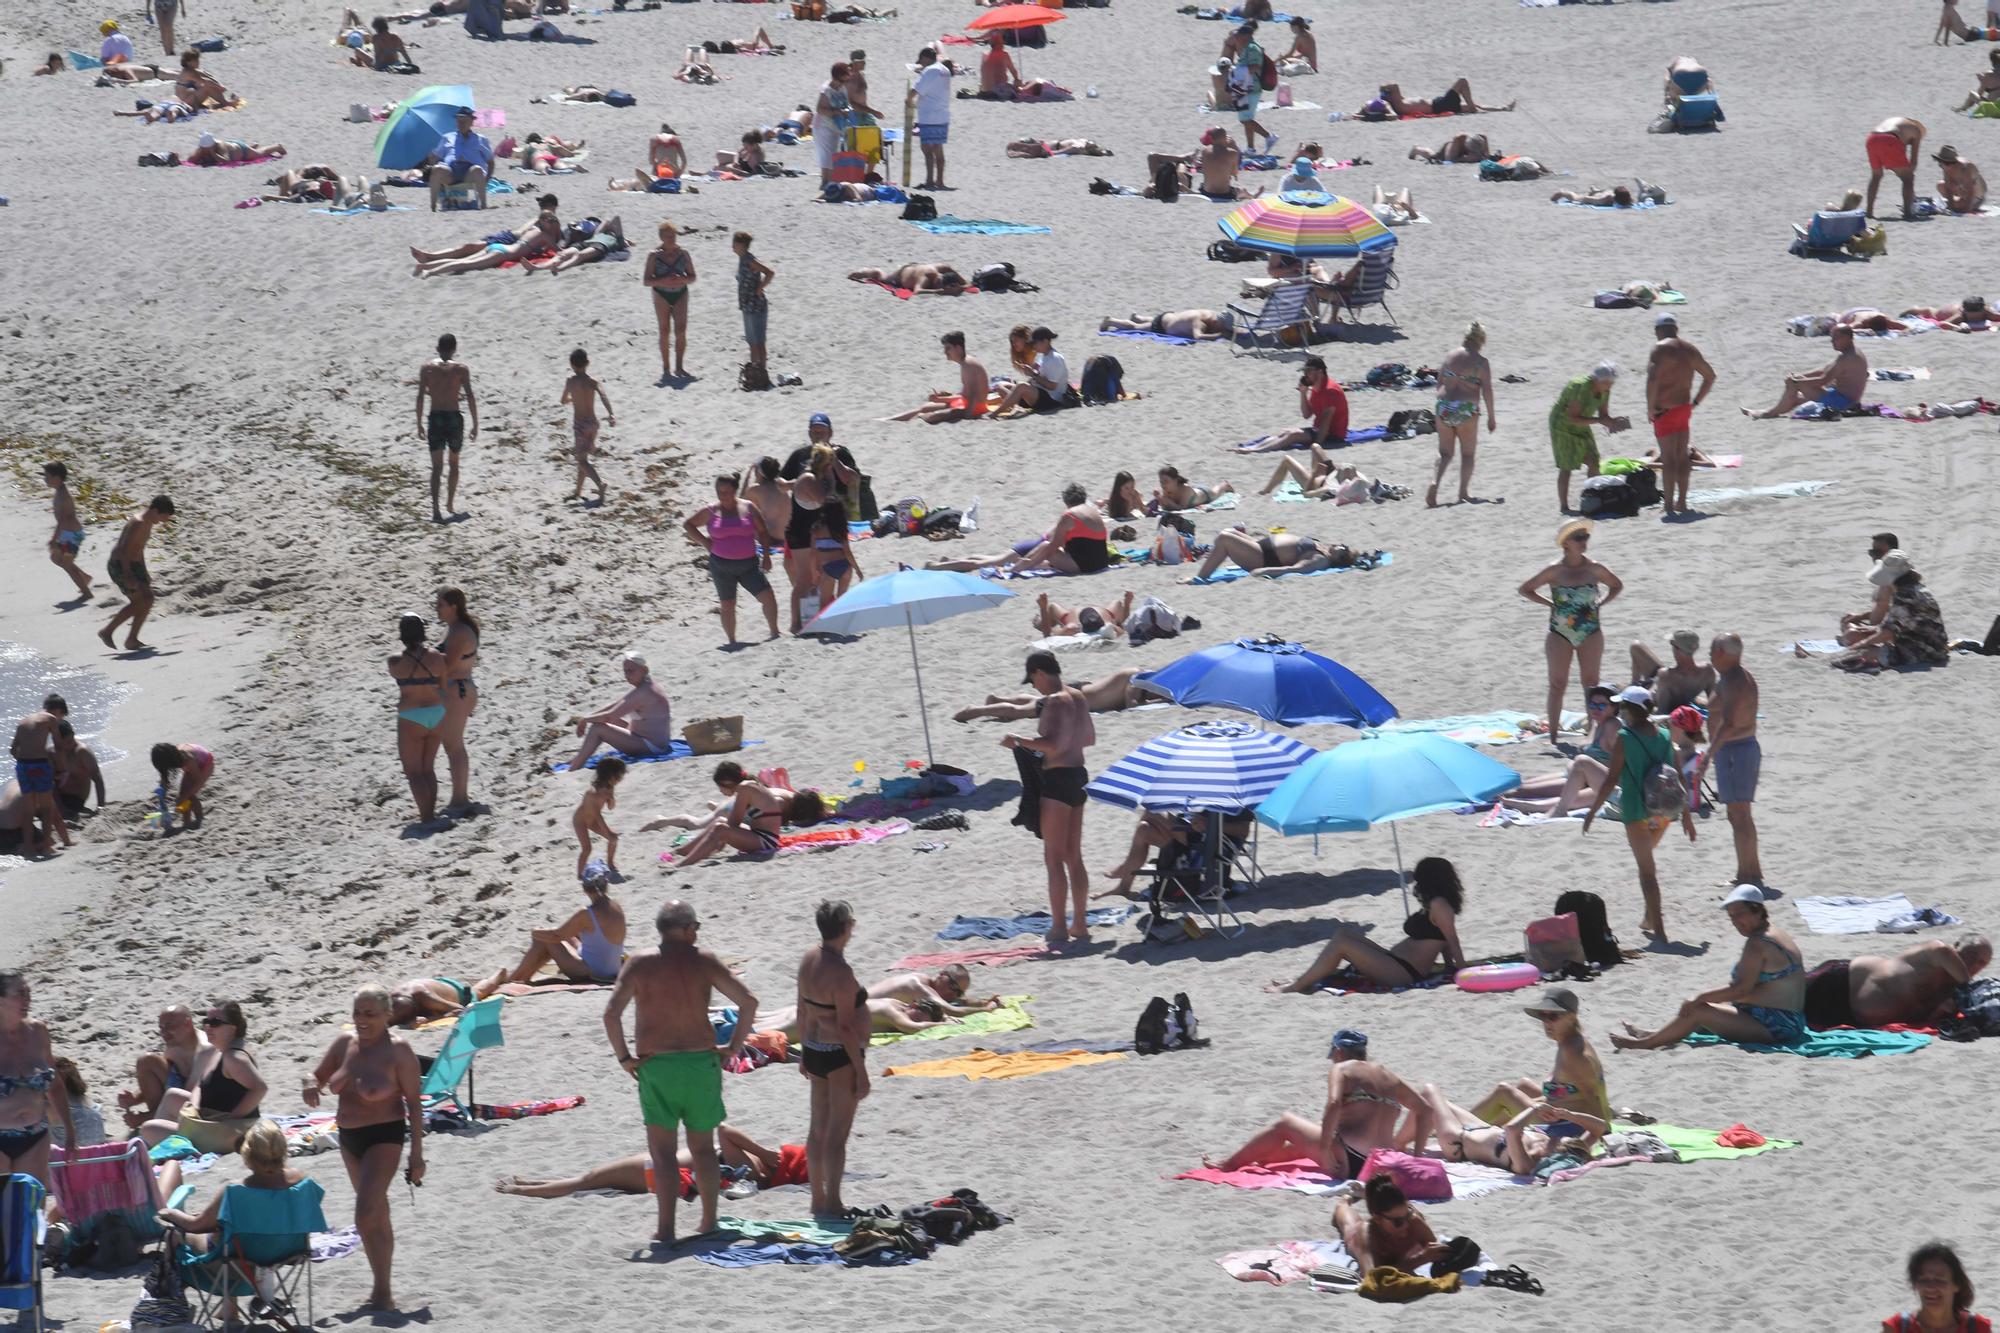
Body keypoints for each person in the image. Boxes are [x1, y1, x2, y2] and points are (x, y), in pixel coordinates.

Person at [603, 899, 757, 1244]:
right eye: (696, 927)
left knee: (662, 1152)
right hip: (701, 1064)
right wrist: (732, 1047)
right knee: (702, 1148)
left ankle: (667, 1228)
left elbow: (611, 1014)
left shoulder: (640, 963)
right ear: (687, 929)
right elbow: (749, 1002)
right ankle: (707, 1221)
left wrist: (624, 1058)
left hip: (657, 1067)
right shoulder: (704, 960)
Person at [304, 985, 425, 1310]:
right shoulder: (345, 1044)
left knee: (365, 1212)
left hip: (385, 1136)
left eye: (370, 1014)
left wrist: (416, 1154)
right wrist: (310, 1085)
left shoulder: (398, 1051)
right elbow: (315, 1074)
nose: (361, 1019)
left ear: (388, 1015)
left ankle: (382, 1292)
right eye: (357, 1012)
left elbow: (414, 1104)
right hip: (348, 1138)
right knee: (376, 1215)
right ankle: (381, 1290)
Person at [1207, 1029, 1429, 1183]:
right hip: (1381, 1163)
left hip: (1351, 1161)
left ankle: (1228, 1164)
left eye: (1333, 1054)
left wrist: (1324, 1149)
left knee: (1285, 1123)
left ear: (1339, 1051)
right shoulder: (1388, 1075)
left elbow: (1333, 1104)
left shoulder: (1342, 1070)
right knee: (1306, 1138)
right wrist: (1418, 1156)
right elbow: (1426, 1110)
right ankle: (1261, 1160)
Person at [156, 1121, 315, 1326]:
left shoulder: (234, 1192)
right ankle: (228, 1310)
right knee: (232, 1236)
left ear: (248, 1157)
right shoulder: (304, 1184)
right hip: (278, 1263)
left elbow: (195, 1225)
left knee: (175, 1234)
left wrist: (173, 1214)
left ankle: (166, 1309)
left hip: (234, 1272)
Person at [1613, 885, 1808, 1048]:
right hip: (1787, 1019)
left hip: (1777, 1026)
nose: (1735, 922)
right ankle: (1654, 1034)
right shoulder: (1774, 933)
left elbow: (1741, 989)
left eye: (1740, 914)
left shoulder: (1758, 944)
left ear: (1757, 909)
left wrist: (1699, 997)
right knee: (1714, 1007)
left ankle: (1645, 1044)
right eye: (1732, 917)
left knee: (1699, 1009)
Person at [1582, 690, 1696, 939]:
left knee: (1647, 871)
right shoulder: (1665, 735)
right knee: (1647, 865)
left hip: (1636, 810)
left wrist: (1592, 812)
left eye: (1622, 705)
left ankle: (1661, 930)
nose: (1620, 709)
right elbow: (1677, 775)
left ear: (1630, 709)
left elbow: (1612, 778)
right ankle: (1649, 917)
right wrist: (1686, 814)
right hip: (1663, 811)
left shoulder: (1625, 737)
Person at [1004, 652, 1096, 949]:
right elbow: (1089, 738)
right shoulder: (1078, 696)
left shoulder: (1055, 701)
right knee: (1074, 856)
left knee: (1054, 858)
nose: (1035, 687)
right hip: (1079, 776)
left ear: (1040, 672)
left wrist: (1018, 741)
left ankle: (1058, 927)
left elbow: (1052, 745)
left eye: (1033, 681)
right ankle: (1080, 923)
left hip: (1057, 781)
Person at [1268, 857, 1467, 993]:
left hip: (1403, 973)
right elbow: (1445, 942)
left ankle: (1294, 987)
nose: (1416, 883)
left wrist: (1461, 972)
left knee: (1341, 943)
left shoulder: (1439, 905)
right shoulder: (1435, 902)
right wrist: (1448, 966)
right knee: (1343, 934)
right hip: (1396, 962)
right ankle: (1299, 981)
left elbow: (1452, 942)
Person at [494, 1123, 806, 1201]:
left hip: (661, 1172)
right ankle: (530, 1184)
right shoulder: (755, 1166)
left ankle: (523, 1192)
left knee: (588, 1181)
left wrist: (762, 1153)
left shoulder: (755, 1171)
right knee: (590, 1178)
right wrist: (763, 1152)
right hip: (663, 1166)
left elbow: (725, 1131)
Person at [794, 900, 870, 1217]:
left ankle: (817, 1200)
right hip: (839, 1054)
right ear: (845, 927)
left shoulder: (809, 959)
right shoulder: (841, 973)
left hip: (814, 1048)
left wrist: (802, 1053)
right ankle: (834, 1202)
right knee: (837, 1134)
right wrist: (861, 1070)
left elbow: (802, 1010)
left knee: (817, 1129)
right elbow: (845, 1026)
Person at [1519, 519, 1621, 740]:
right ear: (1566, 543)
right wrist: (1549, 603)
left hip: (1591, 631)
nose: (1584, 541)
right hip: (1559, 633)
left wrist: (1602, 601)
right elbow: (1526, 589)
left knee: (1591, 684)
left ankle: (1594, 734)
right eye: (1579, 538)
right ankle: (1554, 735)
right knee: (1557, 684)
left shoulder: (1595, 568)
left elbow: (1616, 585)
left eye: (1586, 537)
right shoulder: (1554, 571)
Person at [1490, 987, 1612, 1136]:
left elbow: (1593, 1096)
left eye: (1554, 1016)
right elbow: (1574, 1091)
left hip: (1569, 1124)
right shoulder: (1570, 1042)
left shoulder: (1573, 1053)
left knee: (1504, 1092)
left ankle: (1465, 1129)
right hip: (1560, 1111)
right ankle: (1483, 1130)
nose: (1547, 1022)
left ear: (1572, 1017)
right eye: (1543, 1016)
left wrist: (1602, 1134)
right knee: (1523, 1086)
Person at [489, 861, 628, 989]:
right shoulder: (616, 906)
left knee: (544, 938)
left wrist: (534, 931)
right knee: (564, 935)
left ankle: (515, 979)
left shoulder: (587, 913)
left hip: (592, 971)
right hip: (612, 967)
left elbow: (556, 935)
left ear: (585, 888)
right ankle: (522, 975)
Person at [1805, 936, 1992, 1031]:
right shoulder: (1937, 951)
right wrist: (1971, 987)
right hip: (1837, 983)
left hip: (1845, 1017)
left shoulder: (1954, 994)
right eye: (1971, 953)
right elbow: (1944, 953)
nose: (1974, 962)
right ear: (1956, 946)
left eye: (1982, 962)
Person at [660, 761, 824, 867]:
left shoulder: (744, 789)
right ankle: (680, 852)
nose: (721, 791)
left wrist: (720, 839)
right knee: (720, 823)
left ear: (727, 783)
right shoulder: (749, 786)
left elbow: (733, 825)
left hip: (766, 840)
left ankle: (682, 863)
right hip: (760, 834)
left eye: (720, 787)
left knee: (720, 828)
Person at [923, 484, 1109, 575]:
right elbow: (1050, 546)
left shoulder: (1072, 517)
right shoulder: (1085, 514)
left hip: (1040, 546)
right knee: (989, 563)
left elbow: (1054, 546)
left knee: (992, 560)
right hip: (1035, 546)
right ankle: (937, 567)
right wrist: (1020, 567)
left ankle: (950, 561)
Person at [1696, 634, 1762, 887]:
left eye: (1713, 651)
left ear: (1723, 653)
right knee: (1737, 815)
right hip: (1733, 750)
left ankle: (1749, 875)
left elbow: (1729, 723)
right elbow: (1716, 707)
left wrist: (1709, 754)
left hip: (1736, 750)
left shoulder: (1735, 680)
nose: (1710, 656)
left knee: (1740, 814)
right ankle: (1748, 872)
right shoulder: (1730, 678)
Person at [685, 475, 782, 644]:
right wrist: (705, 542)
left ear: (735, 490)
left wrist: (767, 556)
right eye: (719, 492)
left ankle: (775, 632)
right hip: (721, 566)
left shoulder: (748, 508)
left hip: (749, 564)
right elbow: (688, 525)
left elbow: (764, 532)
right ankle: (732, 641)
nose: (723, 495)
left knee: (767, 596)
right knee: (728, 604)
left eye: (727, 491)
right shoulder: (711, 511)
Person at [0, 971, 74, 1190]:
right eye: (20, 994)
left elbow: (56, 1086)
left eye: (28, 993)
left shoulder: (38, 1032)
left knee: (29, 1210)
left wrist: (69, 1130)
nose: (27, 999)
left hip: (36, 1136)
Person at [1417, 1088, 1604, 1175]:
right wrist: (1569, 1115)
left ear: (1555, 1155)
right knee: (1431, 1104)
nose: (1559, 1138)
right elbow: (1599, 1129)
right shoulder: (1561, 1147)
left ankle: (1401, 1146)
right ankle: (1401, 1144)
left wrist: (1535, 1109)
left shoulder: (1526, 1163)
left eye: (1560, 1142)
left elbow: (1511, 1129)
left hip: (1458, 1142)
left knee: (1429, 1093)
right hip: (1480, 1128)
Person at [1499, 686, 1619, 816]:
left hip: (1597, 781)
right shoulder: (1598, 723)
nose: (1596, 709)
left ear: (1613, 708)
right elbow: (1586, 744)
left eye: (1601, 706)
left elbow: (1621, 764)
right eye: (1592, 705)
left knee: (1526, 792)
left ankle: (1530, 806)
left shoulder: (1612, 726)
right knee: (1522, 787)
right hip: (1578, 775)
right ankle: (1510, 799)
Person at [1646, 313, 1714, 517]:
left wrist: (1650, 408)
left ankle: (1668, 507)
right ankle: (1681, 502)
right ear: (1675, 329)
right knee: (1682, 458)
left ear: (1658, 331)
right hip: (1683, 409)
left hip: (1663, 411)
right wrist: (1695, 402)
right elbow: (1710, 376)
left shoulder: (1659, 349)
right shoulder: (1690, 349)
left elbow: (1652, 381)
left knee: (1668, 459)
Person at [1834, 553, 1950, 671]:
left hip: (1923, 653)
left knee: (1861, 647)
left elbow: (1888, 633)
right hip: (1932, 646)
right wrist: (1875, 630)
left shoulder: (1905, 596)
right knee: (1856, 635)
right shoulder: (1917, 589)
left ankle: (1848, 642)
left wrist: (1858, 646)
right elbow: (1906, 623)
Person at [411, 192, 562, 278]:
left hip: (501, 246)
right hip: (503, 252)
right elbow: (558, 252)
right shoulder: (545, 235)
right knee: (466, 263)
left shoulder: (534, 229)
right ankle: (430, 271)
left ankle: (424, 265)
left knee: (464, 259)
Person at [567, 651, 675, 767]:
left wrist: (585, 720)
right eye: (625, 671)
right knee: (605, 720)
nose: (627, 675)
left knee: (598, 728)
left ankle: (575, 766)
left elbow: (609, 716)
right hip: (645, 737)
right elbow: (616, 704)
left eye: (631, 671)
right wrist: (590, 716)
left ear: (644, 670)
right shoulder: (646, 685)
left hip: (653, 746)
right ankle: (579, 757)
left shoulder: (644, 692)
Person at [1428, 321, 1496, 507]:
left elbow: (1439, 382)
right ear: (1481, 340)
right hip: (1466, 408)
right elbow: (1487, 392)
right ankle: (1463, 493)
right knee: (1467, 454)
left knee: (1445, 453)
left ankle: (1435, 482)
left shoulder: (1450, 355)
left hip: (1444, 406)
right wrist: (1491, 417)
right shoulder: (1481, 363)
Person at [387, 613, 447, 824]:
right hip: (436, 712)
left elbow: (397, 671)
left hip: (411, 716)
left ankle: (427, 817)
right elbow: (443, 685)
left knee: (414, 772)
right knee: (428, 768)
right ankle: (431, 812)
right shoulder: (438, 658)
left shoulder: (394, 661)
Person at [1547, 361, 1628, 512]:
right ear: (1597, 380)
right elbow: (1573, 417)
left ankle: (1594, 497)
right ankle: (1564, 506)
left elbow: (1603, 415)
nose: (1610, 387)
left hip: (1583, 423)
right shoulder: (1580, 388)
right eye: (1608, 383)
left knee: (1593, 460)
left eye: (1611, 383)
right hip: (1562, 426)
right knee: (1567, 465)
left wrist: (1614, 423)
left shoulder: (1605, 390)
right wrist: (1599, 421)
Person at [1742, 323, 1869, 419]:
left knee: (1795, 385)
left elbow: (1823, 380)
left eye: (1836, 338)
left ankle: (1769, 413)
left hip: (1844, 403)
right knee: (1797, 397)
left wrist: (1797, 381)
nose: (1832, 341)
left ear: (1848, 338)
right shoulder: (1849, 353)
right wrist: (1801, 376)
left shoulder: (1848, 358)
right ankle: (1770, 412)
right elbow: (1824, 371)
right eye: (1832, 337)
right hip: (1839, 396)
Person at [1335, 1175, 1455, 1275]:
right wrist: (1420, 1258)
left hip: (1393, 1254)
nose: (1406, 1225)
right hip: (1356, 1236)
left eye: (1407, 1215)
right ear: (1377, 1219)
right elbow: (1371, 1277)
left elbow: (1439, 1253)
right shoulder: (1367, 1233)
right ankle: (1345, 1200)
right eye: (1398, 1222)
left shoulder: (1414, 1221)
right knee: (1348, 1222)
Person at [99, 495, 174, 651]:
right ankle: (107, 631)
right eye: (163, 517)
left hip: (134, 565)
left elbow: (139, 549)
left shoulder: (148, 523)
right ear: (154, 510)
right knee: (138, 602)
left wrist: (144, 572)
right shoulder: (138, 523)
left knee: (149, 598)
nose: (163, 521)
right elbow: (124, 549)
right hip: (120, 566)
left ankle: (132, 639)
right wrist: (127, 575)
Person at [415, 333, 477, 522]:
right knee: (454, 463)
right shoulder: (461, 369)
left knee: (436, 467)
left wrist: (418, 423)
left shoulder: (427, 369)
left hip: (436, 418)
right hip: (454, 418)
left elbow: (420, 396)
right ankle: (449, 502)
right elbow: (470, 396)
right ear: (455, 349)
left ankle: (435, 510)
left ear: (437, 347)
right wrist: (476, 424)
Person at [955, 667, 1163, 722]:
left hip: (1080, 691)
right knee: (1023, 712)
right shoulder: (1140, 677)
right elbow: (1131, 705)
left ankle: (997, 700)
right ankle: (977, 711)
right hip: (1073, 699)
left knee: (1036, 702)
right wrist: (1164, 700)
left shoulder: (1141, 675)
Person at [116, 1005, 205, 1128]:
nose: (163, 1032)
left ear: (188, 1023)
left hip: (201, 1102)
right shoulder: (174, 1045)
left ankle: (156, 1121)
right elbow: (162, 1082)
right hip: (180, 1094)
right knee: (146, 1061)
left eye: (169, 1026)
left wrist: (143, 1118)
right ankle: (158, 1121)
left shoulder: (205, 1050)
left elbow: (195, 1099)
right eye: (161, 1027)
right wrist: (134, 1099)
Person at [1240, 356, 1350, 452]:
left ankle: (1259, 450)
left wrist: (1316, 446)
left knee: (1293, 435)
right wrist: (1303, 393)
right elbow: (1306, 414)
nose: (1305, 375)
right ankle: (1253, 447)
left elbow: (1326, 423)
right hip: (1319, 430)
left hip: (1332, 435)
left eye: (1309, 371)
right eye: (1305, 372)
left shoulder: (1330, 390)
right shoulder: (1316, 389)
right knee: (1286, 432)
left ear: (1320, 372)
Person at [432, 586, 479, 813]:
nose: (436, 608)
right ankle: (459, 797)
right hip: (457, 690)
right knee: (452, 744)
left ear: (453, 606)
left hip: (458, 690)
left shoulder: (459, 632)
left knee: (454, 745)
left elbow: (448, 666)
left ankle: (460, 798)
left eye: (440, 604)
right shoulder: (453, 629)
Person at [9, 695, 71, 855]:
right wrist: (63, 769)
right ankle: (46, 846)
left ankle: (29, 847)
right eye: (61, 716)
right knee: (46, 808)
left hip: (22, 766)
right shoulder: (50, 719)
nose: (60, 719)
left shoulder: (24, 721)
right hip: (39, 765)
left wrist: (26, 762)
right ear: (57, 710)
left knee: (28, 810)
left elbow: (13, 750)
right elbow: (58, 746)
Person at [1885, 1244, 1991, 1332]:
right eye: (1924, 1280)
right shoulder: (1898, 1327)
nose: (1930, 1287)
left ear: (1957, 1285)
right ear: (1915, 1285)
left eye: (1939, 1280)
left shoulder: (1978, 1328)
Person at [1181, 530, 1356, 582]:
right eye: (1343, 545)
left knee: (1224, 539)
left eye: (1342, 549)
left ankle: (1200, 578)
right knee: (1228, 532)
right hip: (1261, 547)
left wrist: (1263, 571)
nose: (1340, 545)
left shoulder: (1320, 560)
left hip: (1262, 558)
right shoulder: (1324, 549)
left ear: (1339, 559)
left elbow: (1294, 569)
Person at [559, 347, 613, 505]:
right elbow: (603, 395)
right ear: (588, 363)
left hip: (580, 426)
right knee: (583, 458)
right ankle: (577, 492)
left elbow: (563, 401)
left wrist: (572, 400)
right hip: (593, 424)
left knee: (582, 460)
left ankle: (600, 484)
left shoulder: (570, 381)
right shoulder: (593, 381)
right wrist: (611, 413)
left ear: (571, 365)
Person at [645, 221, 696, 381]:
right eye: (668, 237)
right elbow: (647, 281)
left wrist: (682, 278)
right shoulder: (654, 255)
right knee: (664, 330)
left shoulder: (683, 253)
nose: (672, 239)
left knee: (681, 330)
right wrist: (663, 281)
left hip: (680, 292)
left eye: (673, 236)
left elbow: (693, 277)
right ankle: (666, 367)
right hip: (661, 294)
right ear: (661, 237)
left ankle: (679, 366)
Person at [1629, 629, 1715, 714]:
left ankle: (1634, 685)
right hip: (1684, 698)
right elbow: (1713, 701)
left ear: (1676, 649)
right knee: (1636, 646)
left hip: (1654, 696)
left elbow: (1662, 712)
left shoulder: (1666, 675)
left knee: (1635, 645)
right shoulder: (1708, 671)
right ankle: (1635, 684)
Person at [41, 461, 92, 599]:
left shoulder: (63, 497)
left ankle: (87, 593)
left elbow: (63, 521)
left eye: (47, 477)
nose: (44, 479)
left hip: (72, 534)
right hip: (68, 533)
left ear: (57, 478)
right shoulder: (60, 492)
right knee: (56, 557)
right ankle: (85, 577)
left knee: (66, 563)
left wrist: (54, 539)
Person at [427, 106, 493, 211]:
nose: (461, 124)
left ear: (471, 122)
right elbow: (435, 156)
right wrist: (431, 163)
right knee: (437, 170)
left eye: (464, 121)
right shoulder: (448, 137)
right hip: (451, 171)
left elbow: (490, 161)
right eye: (458, 121)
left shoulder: (481, 139)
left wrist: (487, 179)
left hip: (469, 172)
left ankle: (483, 205)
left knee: (477, 170)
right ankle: (433, 207)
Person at [910, 45, 956, 189]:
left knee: (927, 150)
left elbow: (916, 90)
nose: (921, 65)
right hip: (942, 115)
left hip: (929, 116)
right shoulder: (945, 70)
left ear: (925, 58)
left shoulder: (930, 70)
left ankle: (930, 181)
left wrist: (908, 100)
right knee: (938, 149)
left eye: (921, 61)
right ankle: (940, 181)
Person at [1865, 116, 1926, 219]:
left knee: (1876, 176)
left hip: (1871, 138)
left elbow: (1896, 157)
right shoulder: (1917, 131)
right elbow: (1913, 162)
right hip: (1890, 140)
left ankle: (1869, 211)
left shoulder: (1900, 124)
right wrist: (1907, 175)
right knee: (1908, 178)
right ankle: (1908, 213)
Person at [573, 758, 625, 880]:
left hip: (593, 820)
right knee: (587, 848)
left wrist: (611, 798)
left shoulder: (609, 788)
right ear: (609, 776)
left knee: (614, 839)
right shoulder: (592, 793)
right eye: (618, 777)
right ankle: (580, 875)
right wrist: (607, 833)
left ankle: (610, 863)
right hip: (580, 821)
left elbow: (611, 807)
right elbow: (598, 815)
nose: (619, 780)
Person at [1224, 25, 1272, 154]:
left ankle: (1269, 136)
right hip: (1244, 85)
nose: (1237, 39)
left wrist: (1236, 71)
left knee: (1244, 119)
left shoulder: (1252, 48)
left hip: (1251, 86)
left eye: (1238, 36)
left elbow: (1255, 67)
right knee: (1247, 119)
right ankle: (1251, 148)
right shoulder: (1248, 47)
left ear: (1246, 35)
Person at [151, 742, 215, 830]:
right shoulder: (174, 758)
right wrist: (161, 801)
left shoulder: (187, 758)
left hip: (206, 764)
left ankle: (199, 818)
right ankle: (187, 822)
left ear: (169, 760)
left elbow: (199, 781)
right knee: (182, 796)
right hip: (192, 766)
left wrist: (186, 796)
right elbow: (164, 783)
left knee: (188, 796)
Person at [733, 232, 773, 372]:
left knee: (759, 341)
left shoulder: (750, 260)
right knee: (751, 341)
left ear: (742, 245)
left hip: (756, 305)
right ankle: (755, 369)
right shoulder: (742, 259)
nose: (732, 246)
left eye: (735, 243)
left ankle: (762, 369)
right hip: (746, 306)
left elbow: (769, 272)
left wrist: (760, 288)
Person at [1376, 79, 1514, 118]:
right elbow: (1393, 85)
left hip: (1440, 105)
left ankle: (1503, 108)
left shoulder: (1400, 102)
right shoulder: (1399, 105)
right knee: (1462, 82)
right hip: (1439, 105)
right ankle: (1472, 108)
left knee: (1476, 105)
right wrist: (1383, 91)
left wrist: (1384, 94)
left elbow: (1393, 88)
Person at [980, 34, 1058, 100]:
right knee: (1019, 89)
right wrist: (1017, 81)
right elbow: (1014, 72)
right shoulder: (1004, 54)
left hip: (984, 90)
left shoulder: (984, 54)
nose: (1003, 45)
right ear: (1000, 44)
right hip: (999, 90)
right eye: (1002, 43)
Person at [816, 62, 854, 185]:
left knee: (833, 153)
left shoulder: (842, 87)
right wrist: (837, 112)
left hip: (836, 125)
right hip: (823, 125)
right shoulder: (826, 90)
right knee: (827, 154)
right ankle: (826, 181)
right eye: (843, 81)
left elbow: (845, 103)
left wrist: (847, 111)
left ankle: (829, 182)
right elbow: (820, 109)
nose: (844, 84)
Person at [1098, 310, 1233, 341]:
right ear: (1215, 323)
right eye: (1220, 327)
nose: (1221, 329)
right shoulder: (1200, 323)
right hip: (1162, 326)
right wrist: (1219, 335)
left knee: (1152, 320)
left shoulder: (1211, 314)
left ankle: (1138, 317)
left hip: (1170, 317)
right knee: (1135, 328)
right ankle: (1110, 321)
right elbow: (1198, 336)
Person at [1152, 466, 1235, 512]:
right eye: (1161, 481)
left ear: (1175, 480)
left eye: (1166, 481)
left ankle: (1224, 485)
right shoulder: (1166, 488)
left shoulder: (1185, 489)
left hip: (1204, 494)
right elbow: (1165, 507)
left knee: (1215, 493)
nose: (1163, 484)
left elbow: (1181, 508)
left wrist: (1166, 500)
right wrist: (1159, 498)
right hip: (1194, 491)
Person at [1551, 184, 1636, 207]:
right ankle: (1562, 193)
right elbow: (1588, 199)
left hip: (1606, 192)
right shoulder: (1606, 199)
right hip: (1601, 196)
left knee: (1596, 193)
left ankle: (1594, 191)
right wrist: (1580, 201)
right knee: (1575, 198)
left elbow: (1633, 201)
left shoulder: (1627, 198)